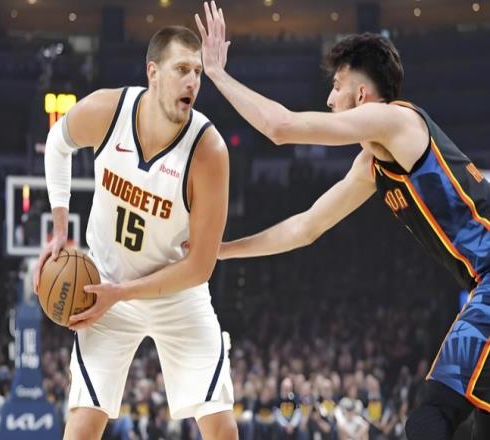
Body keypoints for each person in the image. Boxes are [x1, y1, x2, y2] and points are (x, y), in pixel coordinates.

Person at [195, 2, 490, 439]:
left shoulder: (394, 120)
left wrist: (217, 75)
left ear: (362, 94)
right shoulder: (373, 162)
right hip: (480, 282)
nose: (330, 99)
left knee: (432, 414)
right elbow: (305, 227)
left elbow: (280, 127)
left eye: (337, 86)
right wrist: (221, 250)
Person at [33, 25, 237, 440]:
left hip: (175, 291)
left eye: (197, 72)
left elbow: (200, 266)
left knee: (220, 425)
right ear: (153, 72)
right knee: (83, 423)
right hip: (106, 283)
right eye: (182, 69)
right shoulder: (108, 112)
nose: (192, 82)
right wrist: (59, 228)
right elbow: (57, 142)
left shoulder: (209, 151)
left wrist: (122, 294)